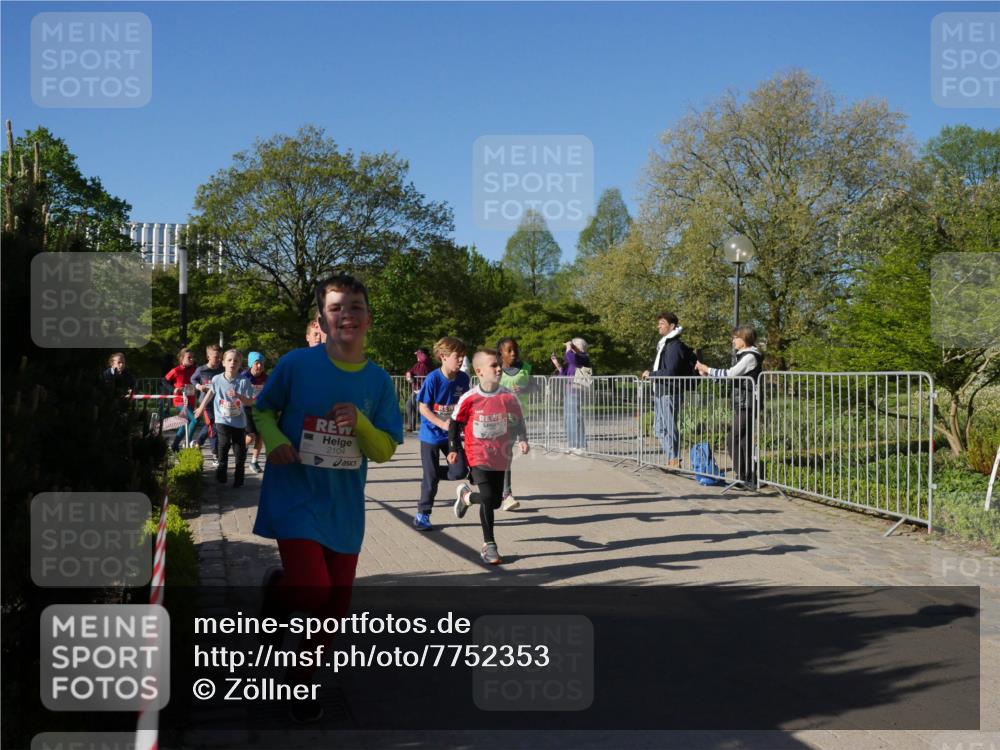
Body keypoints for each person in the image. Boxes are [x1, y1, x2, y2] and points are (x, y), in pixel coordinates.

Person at [252, 273, 403, 723]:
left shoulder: (376, 381)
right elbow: (262, 409)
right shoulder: (297, 364)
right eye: (336, 307)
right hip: (295, 495)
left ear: (368, 318)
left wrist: (360, 422)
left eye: (355, 306)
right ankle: (279, 594)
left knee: (335, 608)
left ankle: (301, 678)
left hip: (344, 505)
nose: (346, 315)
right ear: (322, 318)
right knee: (313, 590)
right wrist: (275, 437)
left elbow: (385, 449)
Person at [450, 349, 529, 565]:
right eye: (493, 365)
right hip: (477, 455)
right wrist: (453, 448)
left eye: (499, 365)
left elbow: (519, 418)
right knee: (487, 496)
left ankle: (466, 497)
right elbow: (454, 422)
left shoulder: (507, 395)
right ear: (479, 371)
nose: (499, 368)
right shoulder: (470, 397)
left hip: (499, 455)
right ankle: (489, 545)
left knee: (493, 501)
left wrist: (523, 438)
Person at [413, 336, 469, 531]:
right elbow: (423, 408)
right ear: (442, 357)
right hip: (430, 435)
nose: (461, 360)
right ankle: (423, 514)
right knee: (430, 478)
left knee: (460, 471)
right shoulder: (433, 379)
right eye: (457, 356)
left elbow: (465, 406)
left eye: (463, 356)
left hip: (451, 436)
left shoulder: (463, 379)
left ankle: (461, 491)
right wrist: (441, 424)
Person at [696, 325, 763, 485]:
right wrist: (708, 375)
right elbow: (731, 376)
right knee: (743, 441)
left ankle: (744, 477)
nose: (733, 340)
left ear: (744, 339)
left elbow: (731, 373)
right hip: (744, 402)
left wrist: (708, 369)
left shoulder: (750, 356)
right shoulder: (744, 356)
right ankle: (748, 477)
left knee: (733, 440)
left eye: (735, 337)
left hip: (748, 403)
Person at [193, 349, 257, 488]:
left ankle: (239, 479)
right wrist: (201, 407)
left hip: (239, 422)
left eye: (236, 360)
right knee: (223, 445)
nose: (232, 363)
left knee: (239, 452)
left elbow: (251, 402)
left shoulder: (244, 382)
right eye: (229, 360)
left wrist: (238, 396)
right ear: (223, 363)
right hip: (222, 419)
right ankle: (221, 473)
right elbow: (210, 393)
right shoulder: (217, 379)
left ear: (240, 364)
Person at [641, 311, 695, 469]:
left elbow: (670, 372)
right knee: (659, 427)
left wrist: (651, 374)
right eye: (659, 323)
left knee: (669, 426)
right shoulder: (665, 344)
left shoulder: (673, 346)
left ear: (672, 326)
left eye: (662, 323)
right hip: (661, 390)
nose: (659, 325)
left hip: (669, 391)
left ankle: (674, 459)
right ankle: (672, 458)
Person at [496, 337, 533, 511]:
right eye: (509, 350)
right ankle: (494, 489)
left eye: (515, 349)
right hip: (494, 421)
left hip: (516, 420)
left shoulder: (525, 368)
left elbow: (535, 386)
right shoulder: (495, 370)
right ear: (501, 353)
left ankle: (506, 494)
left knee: (506, 458)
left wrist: (526, 389)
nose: (513, 353)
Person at [550, 337, 590, 454]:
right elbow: (564, 375)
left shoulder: (583, 357)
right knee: (569, 419)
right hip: (569, 392)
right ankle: (572, 444)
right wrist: (557, 364)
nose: (569, 350)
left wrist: (569, 347)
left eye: (573, 347)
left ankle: (581, 446)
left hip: (577, 392)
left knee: (576, 419)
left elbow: (572, 358)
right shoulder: (572, 361)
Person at [191, 344, 224, 466]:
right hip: (205, 404)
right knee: (213, 427)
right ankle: (215, 455)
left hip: (220, 403)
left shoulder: (222, 369)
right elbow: (193, 379)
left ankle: (197, 443)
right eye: (216, 357)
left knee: (212, 426)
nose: (218, 360)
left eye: (220, 357)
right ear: (208, 357)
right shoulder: (201, 370)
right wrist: (199, 386)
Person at [163, 348, 198, 452]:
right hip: (180, 400)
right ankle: (187, 443)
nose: (192, 359)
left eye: (192, 357)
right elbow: (164, 381)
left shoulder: (195, 369)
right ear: (181, 358)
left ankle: (174, 446)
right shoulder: (176, 370)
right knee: (195, 420)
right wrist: (174, 389)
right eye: (189, 357)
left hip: (191, 400)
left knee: (184, 423)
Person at [240, 351, 269, 474]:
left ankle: (254, 462)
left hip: (260, 409)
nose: (259, 366)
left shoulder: (266, 378)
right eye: (257, 363)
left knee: (260, 436)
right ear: (251, 364)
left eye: (261, 364)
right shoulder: (244, 376)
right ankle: (241, 450)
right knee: (251, 436)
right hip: (246, 408)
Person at [404, 348, 431, 432]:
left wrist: (419, 353)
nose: (417, 356)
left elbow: (424, 361)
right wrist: (408, 373)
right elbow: (410, 371)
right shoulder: (417, 364)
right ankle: (411, 426)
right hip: (416, 390)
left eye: (418, 354)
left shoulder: (427, 363)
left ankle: (426, 427)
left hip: (424, 390)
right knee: (409, 405)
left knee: (421, 409)